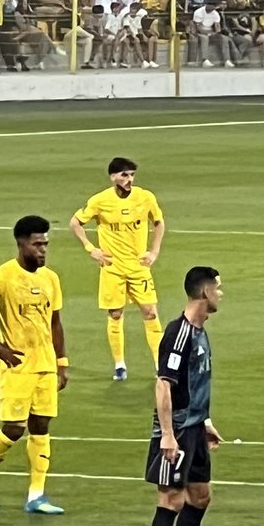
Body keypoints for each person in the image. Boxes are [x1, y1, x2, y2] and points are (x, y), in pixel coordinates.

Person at [0, 216, 68, 516]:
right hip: (17, 367)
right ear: (21, 244)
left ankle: (37, 495)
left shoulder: (51, 278)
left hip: (45, 365)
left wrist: (62, 362)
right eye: (37, 244)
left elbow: (56, 322)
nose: (43, 250)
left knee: (41, 426)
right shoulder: (3, 276)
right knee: (13, 429)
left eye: (45, 244)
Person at [146, 266, 224, 526]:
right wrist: (167, 436)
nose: (221, 294)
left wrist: (205, 422)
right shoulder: (179, 334)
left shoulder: (200, 330)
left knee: (200, 496)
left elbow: (196, 383)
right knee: (172, 500)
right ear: (205, 292)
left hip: (193, 427)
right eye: (218, 288)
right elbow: (164, 384)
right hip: (175, 429)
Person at [69, 157, 165, 381]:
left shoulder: (145, 197)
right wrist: (91, 249)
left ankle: (160, 365)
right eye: (124, 175)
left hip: (139, 267)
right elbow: (75, 223)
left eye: (132, 174)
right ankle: (120, 365)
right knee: (115, 313)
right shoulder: (100, 200)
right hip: (112, 268)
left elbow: (159, 222)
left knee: (151, 312)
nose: (129, 179)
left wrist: (154, 252)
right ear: (113, 177)